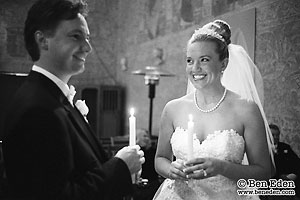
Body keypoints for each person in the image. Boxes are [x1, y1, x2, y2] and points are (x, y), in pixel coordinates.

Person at [2, 0, 145, 199]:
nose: (88, 48)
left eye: (87, 38)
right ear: (43, 40)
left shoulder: (54, 96)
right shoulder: (37, 109)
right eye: (76, 36)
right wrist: (119, 166)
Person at [154, 20, 274, 199]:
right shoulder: (172, 108)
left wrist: (222, 167)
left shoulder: (246, 110)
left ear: (223, 64)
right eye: (189, 61)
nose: (195, 69)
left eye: (204, 60)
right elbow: (160, 159)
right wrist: (171, 169)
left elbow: (265, 171)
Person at [270, 124, 300, 198]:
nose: (276, 137)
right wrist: (281, 176)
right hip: (275, 180)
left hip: (290, 177)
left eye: (277, 135)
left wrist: (295, 174)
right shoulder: (262, 149)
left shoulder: (285, 147)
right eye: (273, 135)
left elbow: (297, 162)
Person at [133, 129, 162, 200]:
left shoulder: (153, 152)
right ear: (137, 138)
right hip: (138, 186)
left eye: (147, 136)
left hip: (152, 184)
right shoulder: (133, 153)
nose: (147, 138)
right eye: (144, 136)